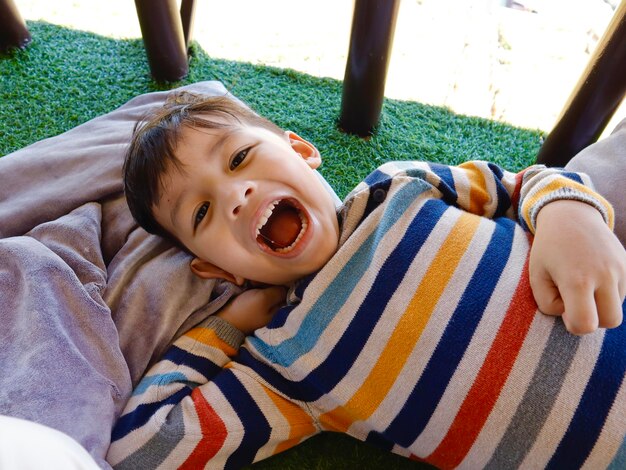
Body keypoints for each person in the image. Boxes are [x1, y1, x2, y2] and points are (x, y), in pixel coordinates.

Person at [107, 92, 626, 469]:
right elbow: (142, 449)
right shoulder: (284, 362)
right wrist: (225, 327)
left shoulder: (400, 185)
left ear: (302, 150)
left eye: (239, 157)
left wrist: (568, 211)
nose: (235, 195)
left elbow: (515, 184)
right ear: (220, 270)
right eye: (201, 212)